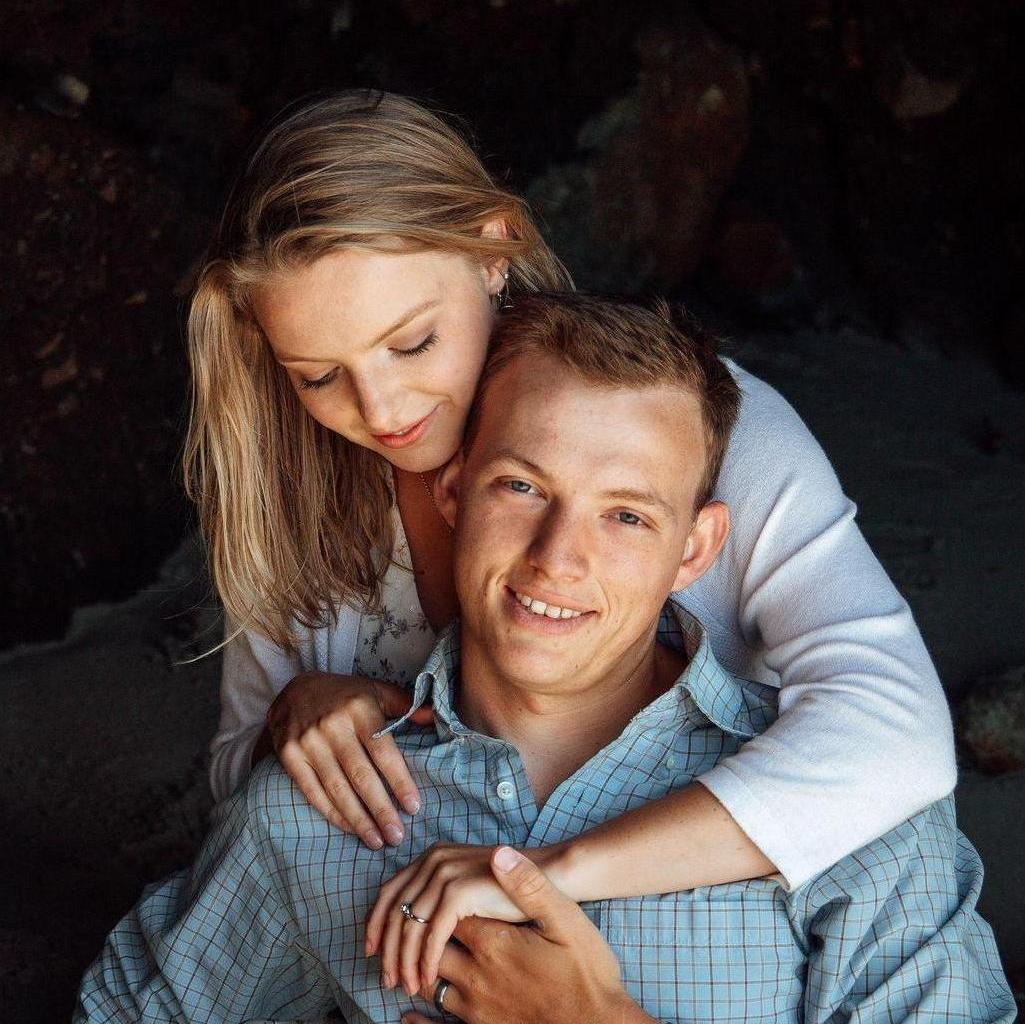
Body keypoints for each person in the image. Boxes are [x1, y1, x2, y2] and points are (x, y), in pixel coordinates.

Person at [76, 294, 1013, 1023]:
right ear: (452, 496)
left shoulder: (851, 817)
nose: (558, 556)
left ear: (695, 551)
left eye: (626, 515)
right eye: (521, 486)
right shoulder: (323, 809)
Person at [189, 89, 955, 905]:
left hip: (687, 908)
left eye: (412, 342)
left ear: (495, 250)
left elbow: (898, 737)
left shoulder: (693, 424)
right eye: (318, 375)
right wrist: (293, 714)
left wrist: (550, 881)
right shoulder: (288, 487)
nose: (381, 412)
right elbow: (235, 793)